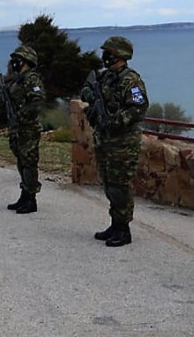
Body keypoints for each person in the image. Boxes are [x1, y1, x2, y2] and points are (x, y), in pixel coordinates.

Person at [80, 36, 148, 247]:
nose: (104, 56)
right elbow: (85, 90)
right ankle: (115, 224)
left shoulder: (131, 80)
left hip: (123, 142)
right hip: (105, 140)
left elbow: (139, 108)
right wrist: (93, 98)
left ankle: (123, 229)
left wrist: (114, 121)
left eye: (108, 53)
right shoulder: (104, 77)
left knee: (120, 186)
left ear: (119, 55)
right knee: (109, 183)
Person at [2, 45, 45, 214]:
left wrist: (21, 114)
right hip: (18, 127)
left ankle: (31, 198)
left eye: (17, 60)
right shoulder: (18, 79)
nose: (14, 63)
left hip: (28, 128)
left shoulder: (32, 79)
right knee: (21, 162)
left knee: (29, 163)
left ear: (26, 61)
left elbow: (37, 102)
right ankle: (25, 194)